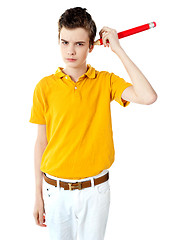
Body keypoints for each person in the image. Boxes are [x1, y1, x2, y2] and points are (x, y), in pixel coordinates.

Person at [29, 7, 157, 240]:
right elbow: (41, 143)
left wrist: (118, 49)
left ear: (92, 46)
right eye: (64, 42)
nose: (70, 50)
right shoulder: (44, 87)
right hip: (55, 192)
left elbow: (148, 96)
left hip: (96, 191)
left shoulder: (106, 82)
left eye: (79, 44)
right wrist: (37, 195)